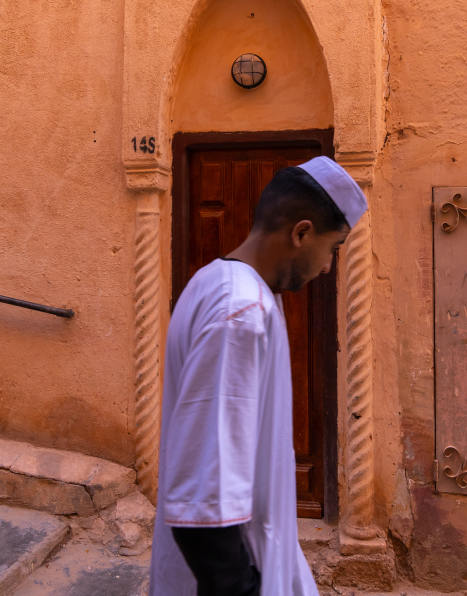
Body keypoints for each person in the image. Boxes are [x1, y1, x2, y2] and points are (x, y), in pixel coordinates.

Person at [149, 156, 367, 596]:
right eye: (333, 247)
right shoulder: (240, 314)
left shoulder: (214, 280)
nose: (327, 267)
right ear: (301, 232)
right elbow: (204, 505)